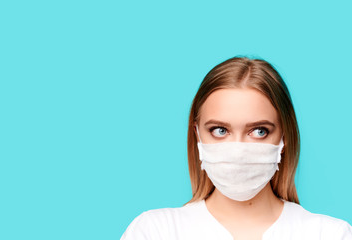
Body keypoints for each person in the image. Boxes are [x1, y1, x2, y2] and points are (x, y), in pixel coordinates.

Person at [120, 56, 352, 240]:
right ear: (197, 134)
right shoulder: (155, 232)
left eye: (259, 131)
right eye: (220, 130)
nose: (238, 150)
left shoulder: (331, 235)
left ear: (284, 137)